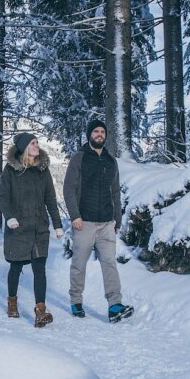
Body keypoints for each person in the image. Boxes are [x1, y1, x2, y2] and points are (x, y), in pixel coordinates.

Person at [62, 119, 134, 323]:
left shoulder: (111, 161)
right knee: (79, 264)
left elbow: (115, 192)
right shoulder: (80, 158)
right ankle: (76, 301)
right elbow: (69, 189)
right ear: (89, 134)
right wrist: (75, 216)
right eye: (96, 131)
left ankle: (114, 305)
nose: (100, 134)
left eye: (103, 131)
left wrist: (117, 220)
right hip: (84, 223)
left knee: (110, 263)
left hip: (106, 224)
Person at [0, 132, 64, 328]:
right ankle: (12, 301)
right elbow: (3, 197)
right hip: (18, 227)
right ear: (24, 147)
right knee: (16, 266)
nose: (37, 146)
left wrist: (57, 225)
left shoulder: (42, 170)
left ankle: (40, 311)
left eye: (37, 142)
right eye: (33, 143)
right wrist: (9, 217)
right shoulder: (11, 170)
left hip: (39, 228)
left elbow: (50, 200)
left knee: (39, 270)